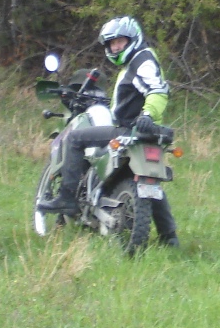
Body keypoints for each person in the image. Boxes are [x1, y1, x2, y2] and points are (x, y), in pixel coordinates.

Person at [36, 15, 179, 247]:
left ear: (132, 39)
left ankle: (67, 199)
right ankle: (169, 236)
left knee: (75, 138)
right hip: (143, 130)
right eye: (112, 44)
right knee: (150, 184)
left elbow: (157, 90)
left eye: (120, 42)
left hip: (130, 129)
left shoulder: (142, 61)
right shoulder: (136, 62)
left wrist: (147, 114)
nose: (116, 47)